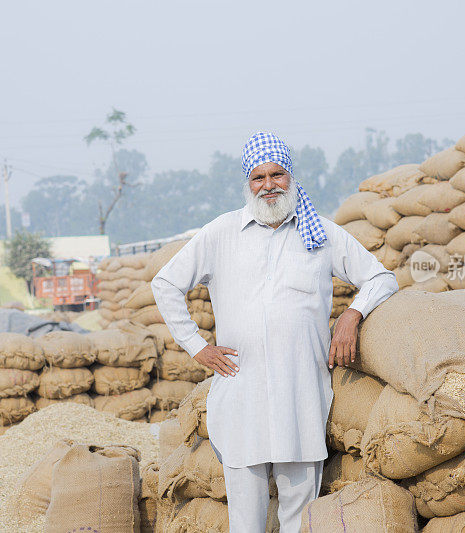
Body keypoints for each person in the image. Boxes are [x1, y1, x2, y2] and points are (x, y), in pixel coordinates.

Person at [152, 132, 398, 532]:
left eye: (276, 174)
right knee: (245, 522)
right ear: (247, 185)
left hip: (300, 394)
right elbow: (164, 284)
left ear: (291, 176)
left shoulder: (322, 234)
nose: (269, 185)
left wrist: (352, 314)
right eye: (258, 177)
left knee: (299, 518)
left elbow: (382, 279)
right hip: (241, 394)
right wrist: (197, 346)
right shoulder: (222, 233)